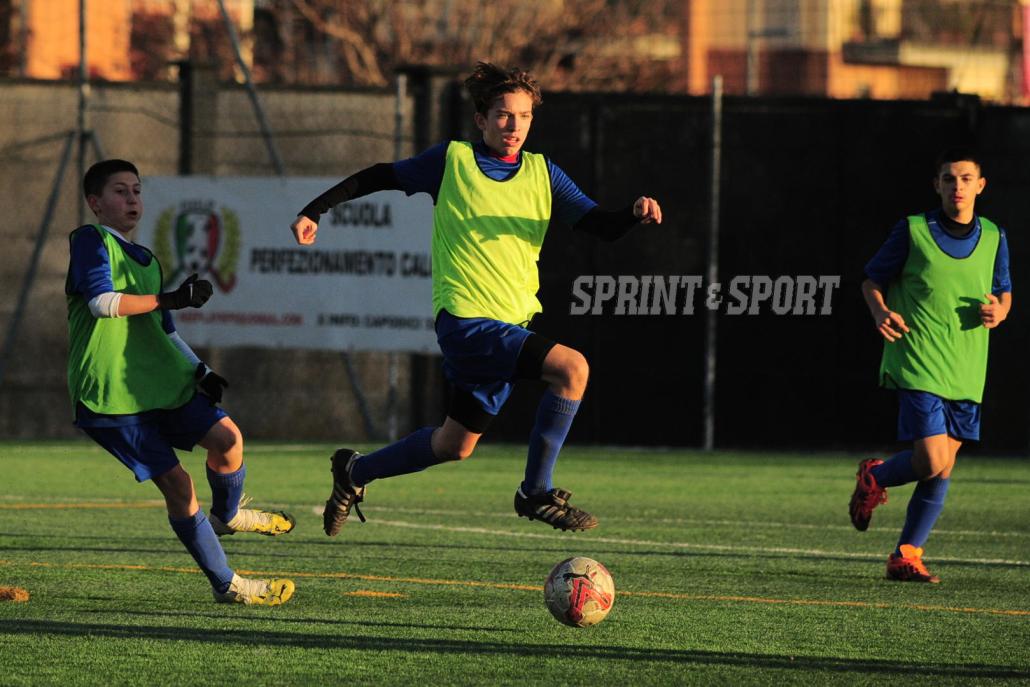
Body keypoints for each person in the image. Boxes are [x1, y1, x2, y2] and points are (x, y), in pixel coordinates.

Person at [291, 62, 662, 536]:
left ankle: (354, 471)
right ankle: (536, 492)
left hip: (511, 325)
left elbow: (600, 225)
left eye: (524, 116)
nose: (514, 126)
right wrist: (315, 209)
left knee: (454, 445)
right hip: (466, 322)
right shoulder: (453, 161)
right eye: (504, 115)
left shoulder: (543, 173)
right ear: (482, 119)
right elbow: (381, 176)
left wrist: (632, 214)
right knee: (572, 369)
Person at [67, 159, 296, 605]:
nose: (132, 199)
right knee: (179, 486)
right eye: (119, 191)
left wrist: (200, 369)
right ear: (95, 202)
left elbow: (165, 330)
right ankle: (228, 585)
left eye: (137, 190)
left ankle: (227, 516)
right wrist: (168, 297)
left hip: (157, 383)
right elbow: (101, 303)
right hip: (110, 396)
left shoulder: (148, 260)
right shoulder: (90, 240)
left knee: (228, 439)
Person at [850, 148, 1012, 583]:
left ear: (980, 186)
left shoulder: (995, 236)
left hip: (967, 364)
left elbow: (1003, 291)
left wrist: (1000, 310)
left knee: (943, 466)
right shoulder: (914, 230)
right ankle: (876, 475)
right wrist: (880, 311)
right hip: (919, 357)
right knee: (930, 459)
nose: (957, 186)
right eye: (949, 179)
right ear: (936, 185)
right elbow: (871, 281)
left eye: (965, 178)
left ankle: (906, 555)